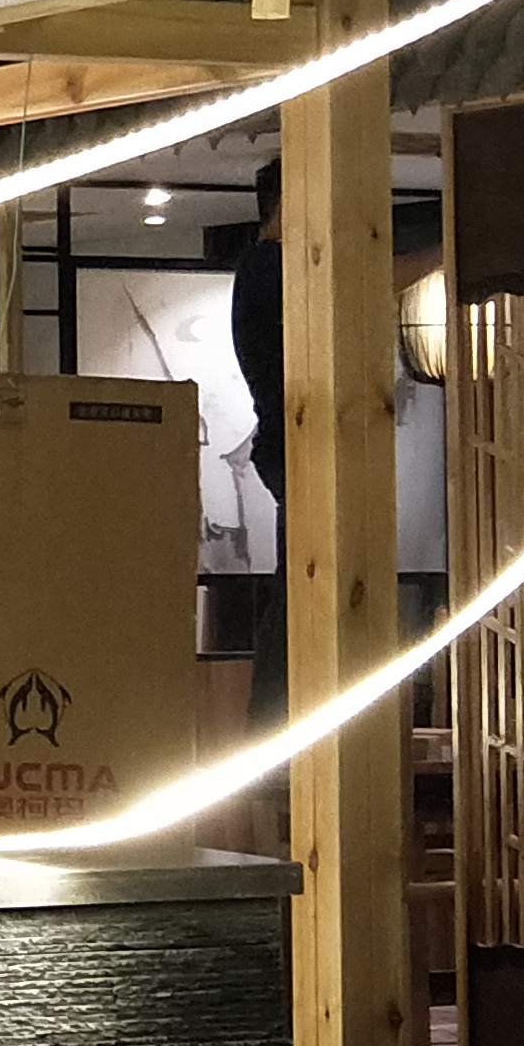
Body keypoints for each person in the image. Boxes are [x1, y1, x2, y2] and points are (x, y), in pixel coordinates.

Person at [227, 159, 288, 720]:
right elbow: (362, 276)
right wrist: (443, 256)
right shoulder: (269, 265)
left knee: (297, 589)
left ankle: (274, 730)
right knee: (299, 593)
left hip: (286, 442)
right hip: (295, 441)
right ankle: (275, 727)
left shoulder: (261, 267)